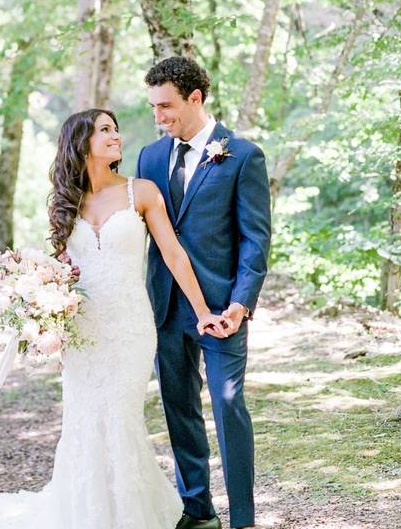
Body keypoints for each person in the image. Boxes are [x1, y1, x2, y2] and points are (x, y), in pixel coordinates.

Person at [0, 108, 229, 529]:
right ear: (81, 143)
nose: (116, 136)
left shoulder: (143, 192)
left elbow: (173, 255)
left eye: (116, 129)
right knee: (83, 420)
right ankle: (87, 512)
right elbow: (63, 270)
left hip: (130, 327)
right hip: (82, 331)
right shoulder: (66, 203)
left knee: (120, 416)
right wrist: (46, 315)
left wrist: (203, 310)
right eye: (105, 130)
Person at [137, 56, 271, 529]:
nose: (159, 117)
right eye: (153, 107)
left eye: (167, 106)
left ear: (196, 98)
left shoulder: (243, 155)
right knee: (179, 408)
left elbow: (256, 240)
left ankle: (243, 519)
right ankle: (197, 510)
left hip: (222, 309)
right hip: (166, 308)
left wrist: (239, 305)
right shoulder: (150, 157)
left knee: (228, 405)